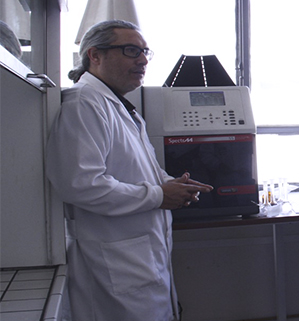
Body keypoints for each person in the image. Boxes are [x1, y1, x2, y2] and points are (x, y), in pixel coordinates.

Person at [45, 20, 213, 321]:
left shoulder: (119, 106)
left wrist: (171, 185)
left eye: (145, 52)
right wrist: (159, 195)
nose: (143, 60)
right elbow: (80, 184)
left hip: (138, 260)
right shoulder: (83, 105)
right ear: (94, 55)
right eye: (131, 50)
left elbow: (137, 169)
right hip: (114, 265)